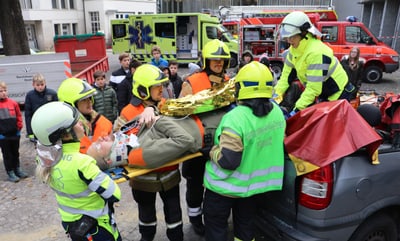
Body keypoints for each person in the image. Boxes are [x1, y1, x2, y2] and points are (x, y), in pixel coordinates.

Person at [203, 61, 286, 241]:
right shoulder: (278, 113)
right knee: (245, 230)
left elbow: (229, 161)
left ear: (242, 87)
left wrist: (211, 151)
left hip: (222, 189)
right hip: (252, 189)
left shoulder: (235, 117)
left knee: (216, 229)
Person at [31, 101, 122, 241]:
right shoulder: (82, 163)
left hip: (72, 225)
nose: (82, 124)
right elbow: (114, 194)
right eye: (78, 123)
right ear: (66, 134)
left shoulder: (45, 159)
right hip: (98, 228)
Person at [117, 64, 184, 241]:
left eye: (162, 85)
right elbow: (120, 145)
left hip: (169, 173)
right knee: (146, 214)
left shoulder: (166, 106)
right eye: (157, 87)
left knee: (174, 214)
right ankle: (147, 237)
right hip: (143, 178)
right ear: (143, 90)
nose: (161, 89)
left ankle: (176, 237)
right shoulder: (128, 113)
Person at [178, 39, 231, 235]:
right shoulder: (192, 82)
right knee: (194, 184)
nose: (218, 63)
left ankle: (213, 217)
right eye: (214, 59)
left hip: (220, 143)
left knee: (216, 183)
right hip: (198, 144)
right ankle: (195, 218)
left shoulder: (227, 82)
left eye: (222, 60)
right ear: (206, 61)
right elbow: (181, 114)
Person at [274, 11, 352, 117]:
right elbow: (285, 79)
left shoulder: (316, 52)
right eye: (287, 37)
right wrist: (273, 100)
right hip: (323, 92)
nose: (289, 40)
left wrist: (296, 111)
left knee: (330, 128)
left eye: (292, 36)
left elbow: (313, 88)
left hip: (339, 93)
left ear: (303, 33)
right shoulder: (293, 51)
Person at [57, 77, 113, 154]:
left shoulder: (104, 122)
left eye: (90, 98)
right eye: (84, 100)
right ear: (71, 105)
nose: (89, 102)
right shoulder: (65, 131)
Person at [0, 81, 28, 182]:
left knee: (15, 153)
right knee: (7, 155)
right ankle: (10, 172)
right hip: (3, 136)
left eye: (5, 90)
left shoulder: (13, 103)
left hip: (14, 134)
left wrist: (19, 129)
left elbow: (19, 116)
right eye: (0, 91)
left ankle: (17, 169)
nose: (3, 93)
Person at [24, 73, 58, 143]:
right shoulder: (30, 96)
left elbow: (57, 113)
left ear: (45, 83)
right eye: (38, 85)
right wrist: (30, 133)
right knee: (40, 149)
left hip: (51, 126)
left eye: (42, 84)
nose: (40, 87)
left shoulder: (52, 94)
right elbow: (28, 115)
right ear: (33, 85)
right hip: (37, 127)